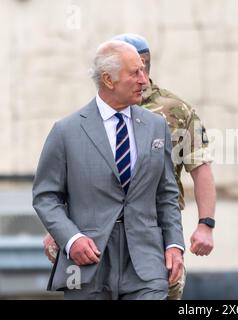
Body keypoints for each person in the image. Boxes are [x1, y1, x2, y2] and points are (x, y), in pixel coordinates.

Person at [42, 34, 216, 300]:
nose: (143, 79)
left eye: (143, 69)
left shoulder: (166, 116)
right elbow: (49, 194)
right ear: (108, 79)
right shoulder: (68, 130)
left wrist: (181, 239)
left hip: (148, 256)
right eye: (135, 71)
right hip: (91, 260)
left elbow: (169, 190)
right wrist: (66, 235)